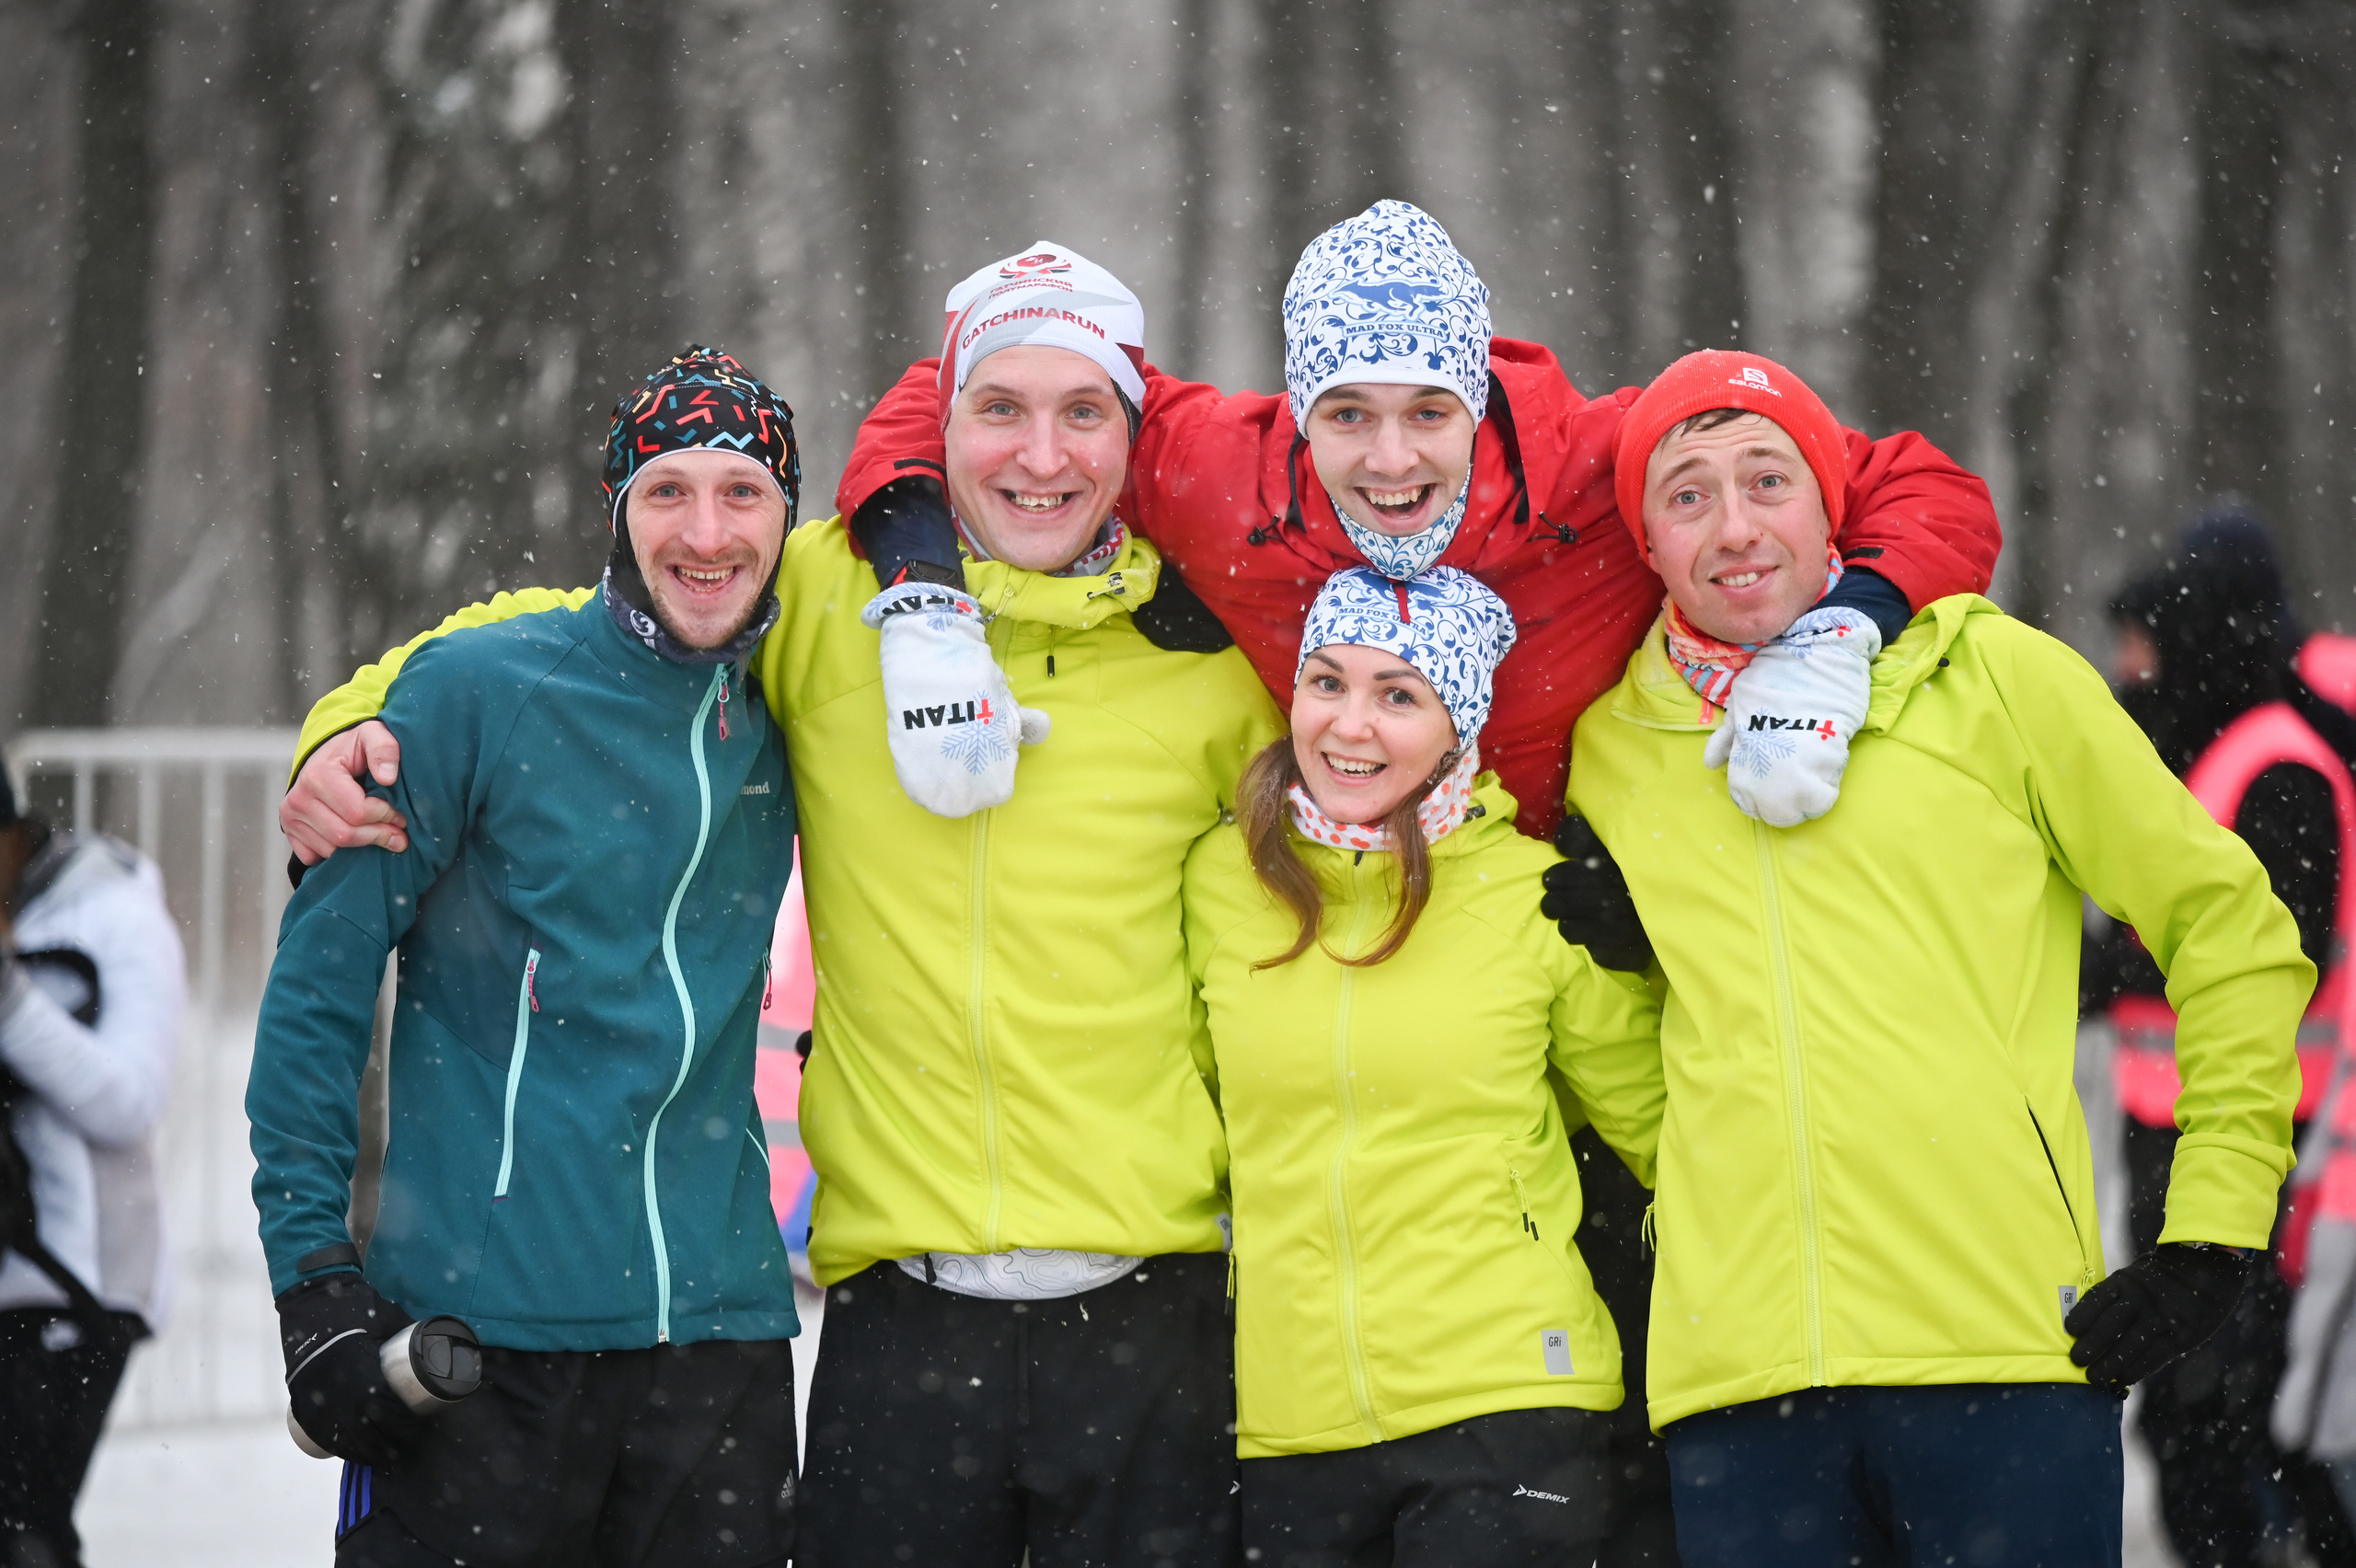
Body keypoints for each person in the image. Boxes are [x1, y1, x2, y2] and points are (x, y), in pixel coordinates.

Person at [276, 248, 1282, 1567]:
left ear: (1134, 432)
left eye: (1084, 411)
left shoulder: (1220, 670)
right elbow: (559, 627)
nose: (1042, 455)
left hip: (1147, 1316)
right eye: (1002, 409)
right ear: (947, 420)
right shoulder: (824, 595)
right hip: (900, 1325)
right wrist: (350, 718)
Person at [1564, 349, 2309, 1565]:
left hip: (2001, 1359)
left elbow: (2229, 925)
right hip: (1740, 1393)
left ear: (1833, 504)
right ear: (1644, 540)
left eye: (1769, 478)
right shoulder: (1611, 751)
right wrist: (1713, 1195)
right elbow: (1618, 1042)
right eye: (1686, 493)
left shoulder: (1992, 680)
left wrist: (2217, 1226)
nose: (1736, 524)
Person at [842, 200, 2004, 840]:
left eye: (1426, 413)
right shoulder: (1216, 474)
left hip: (1591, 940)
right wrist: (926, 601)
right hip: (1344, 947)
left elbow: (1918, 487)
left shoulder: (1609, 464)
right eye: (1347, 414)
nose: (1390, 460)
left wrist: (1836, 634)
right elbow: (958, 390)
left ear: (1476, 399)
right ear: (1299, 413)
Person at [247, 346, 805, 1567]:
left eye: (743, 492)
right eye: (667, 490)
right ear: (616, 512)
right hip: (479, 1346)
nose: (705, 532)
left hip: (721, 1349)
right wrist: (311, 1285)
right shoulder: (481, 691)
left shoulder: (800, 703)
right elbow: (316, 994)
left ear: (788, 519)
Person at [1184, 561, 1665, 1565]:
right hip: (1292, 1422)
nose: (1348, 727)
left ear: (1460, 725)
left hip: (1511, 1404)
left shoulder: (1532, 895)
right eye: (1327, 683)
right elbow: (1174, 1102)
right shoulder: (1220, 884)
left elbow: (1671, 1131)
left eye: (1397, 695)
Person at [2090, 506, 2356, 1564]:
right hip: (2184, 1126)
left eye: (2144, 642)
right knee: (2203, 1413)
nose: (2129, 667)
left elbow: (2278, 945)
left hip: (2260, 1130)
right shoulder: (2201, 740)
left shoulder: (2273, 759)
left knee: (2224, 1412)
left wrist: (2101, 969)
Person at [0, 768, 182, 1567]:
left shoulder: (116, 914)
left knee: (23, 1532)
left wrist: (7, 999)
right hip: (13, 1269)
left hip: (81, 1286)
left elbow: (129, 1101)